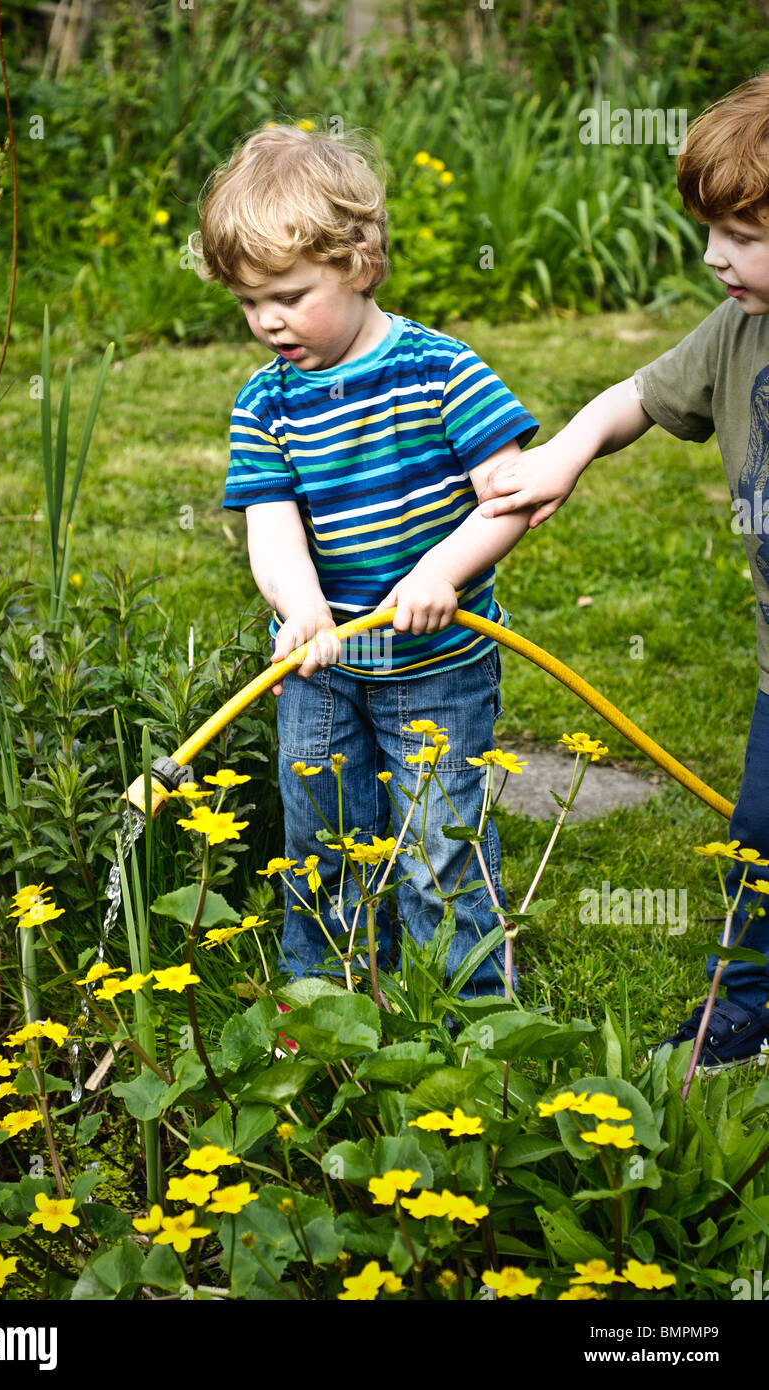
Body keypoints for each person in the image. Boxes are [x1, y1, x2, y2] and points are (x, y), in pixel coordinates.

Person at [190, 123, 539, 1000]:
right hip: (318, 670)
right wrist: (301, 609)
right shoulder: (264, 401)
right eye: (247, 302)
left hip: (436, 668)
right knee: (324, 839)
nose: (267, 320)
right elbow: (269, 526)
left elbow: (513, 493)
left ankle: (470, 1014)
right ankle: (332, 1003)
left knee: (437, 843)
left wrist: (442, 573)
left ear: (359, 261)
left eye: (289, 295)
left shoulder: (438, 370)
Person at [474, 72, 769, 1066]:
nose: (710, 255)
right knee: (758, 839)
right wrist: (562, 453)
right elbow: (632, 397)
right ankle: (743, 1002)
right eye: (708, 228)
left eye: (742, 233)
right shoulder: (735, 334)